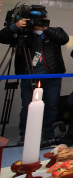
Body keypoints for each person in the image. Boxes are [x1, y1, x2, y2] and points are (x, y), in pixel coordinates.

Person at [0, 9, 69, 145]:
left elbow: (64, 39)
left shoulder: (54, 31)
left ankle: (48, 133)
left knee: (51, 106)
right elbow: (2, 38)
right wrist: (16, 26)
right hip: (29, 76)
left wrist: (45, 29)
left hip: (52, 76)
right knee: (27, 107)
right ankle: (25, 135)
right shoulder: (23, 33)